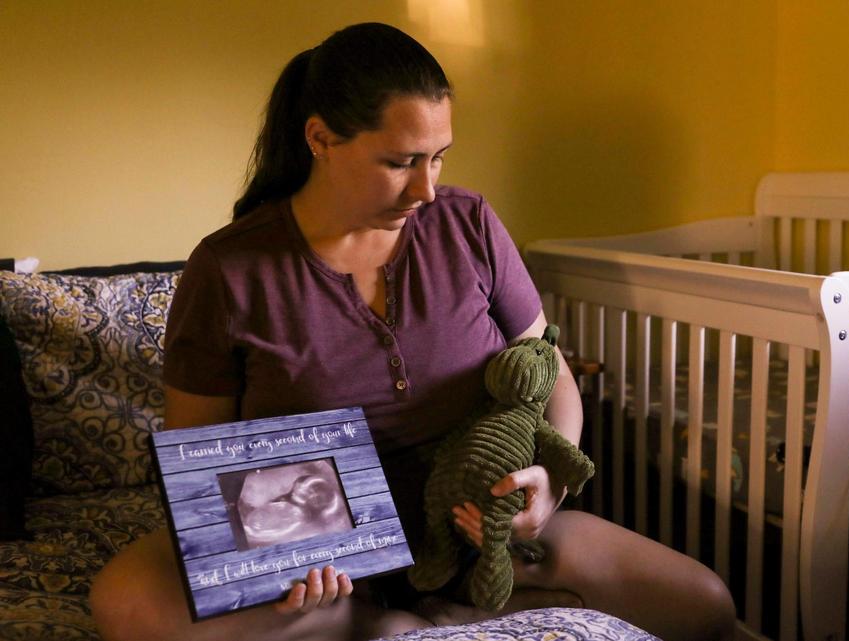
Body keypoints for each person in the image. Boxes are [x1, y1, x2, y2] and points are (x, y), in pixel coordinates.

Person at [89, 23, 735, 641]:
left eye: (439, 159)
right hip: (328, 561)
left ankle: (435, 610)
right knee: (129, 601)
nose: (426, 189)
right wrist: (277, 558)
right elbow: (199, 453)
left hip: (479, 527)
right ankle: (378, 621)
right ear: (320, 138)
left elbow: (551, 370)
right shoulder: (229, 269)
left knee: (704, 605)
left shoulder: (469, 223)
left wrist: (549, 483)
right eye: (400, 162)